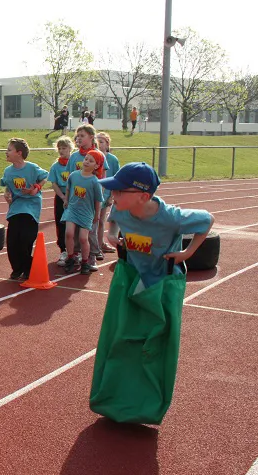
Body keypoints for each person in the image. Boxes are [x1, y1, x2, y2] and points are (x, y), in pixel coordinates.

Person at [91, 162, 213, 424]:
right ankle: (117, 398)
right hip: (133, 279)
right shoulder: (123, 209)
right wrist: (112, 235)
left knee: (156, 343)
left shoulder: (171, 217)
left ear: (143, 196)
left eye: (120, 192)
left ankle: (148, 405)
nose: (114, 196)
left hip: (164, 284)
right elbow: (113, 218)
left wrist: (187, 253)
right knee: (122, 338)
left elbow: (207, 220)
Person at [0, 138, 49, 280]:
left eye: (9, 150)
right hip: (16, 206)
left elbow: (45, 177)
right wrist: (7, 194)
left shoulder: (32, 168)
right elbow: (7, 186)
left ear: (19, 153)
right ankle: (17, 268)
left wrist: (36, 188)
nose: (6, 152)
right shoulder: (8, 171)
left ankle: (29, 267)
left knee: (26, 238)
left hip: (31, 206)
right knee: (12, 240)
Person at [61, 150, 105, 275]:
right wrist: (66, 199)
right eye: (86, 159)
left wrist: (96, 214)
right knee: (69, 233)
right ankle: (70, 258)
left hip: (86, 213)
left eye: (91, 161)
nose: (86, 162)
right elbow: (69, 187)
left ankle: (85, 261)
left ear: (96, 166)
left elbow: (98, 200)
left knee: (83, 238)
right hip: (72, 209)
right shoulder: (74, 175)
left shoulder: (95, 181)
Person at [49, 136, 73, 266]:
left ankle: (76, 250)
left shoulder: (74, 163)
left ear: (70, 149)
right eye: (59, 148)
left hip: (74, 196)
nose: (61, 151)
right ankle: (63, 250)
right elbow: (53, 183)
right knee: (61, 223)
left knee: (75, 223)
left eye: (64, 148)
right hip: (61, 196)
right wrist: (63, 197)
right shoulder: (56, 166)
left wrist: (70, 196)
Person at [96, 132, 121, 256]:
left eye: (101, 142)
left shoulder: (112, 159)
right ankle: (93, 245)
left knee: (100, 221)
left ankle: (99, 245)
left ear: (107, 144)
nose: (99, 144)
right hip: (94, 193)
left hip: (106, 194)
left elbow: (116, 178)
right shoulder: (93, 157)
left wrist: (112, 196)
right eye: (97, 141)